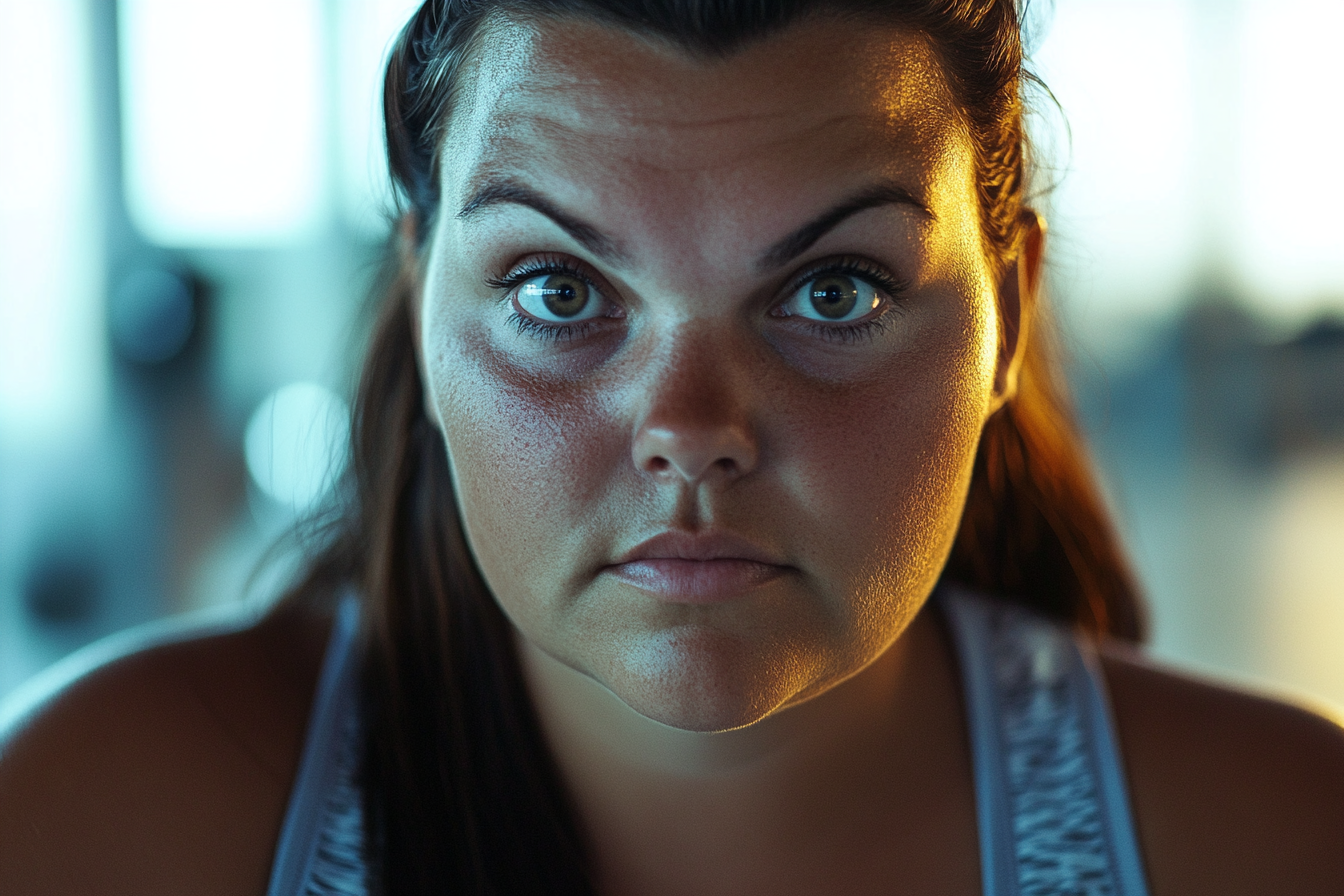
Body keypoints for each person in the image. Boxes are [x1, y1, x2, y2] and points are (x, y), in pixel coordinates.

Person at [2, 1, 1343, 893]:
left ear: (1010, 317)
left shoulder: (1277, 840)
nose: (691, 433)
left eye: (835, 292)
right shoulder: (100, 828)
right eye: (558, 290)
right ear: (423, 306)